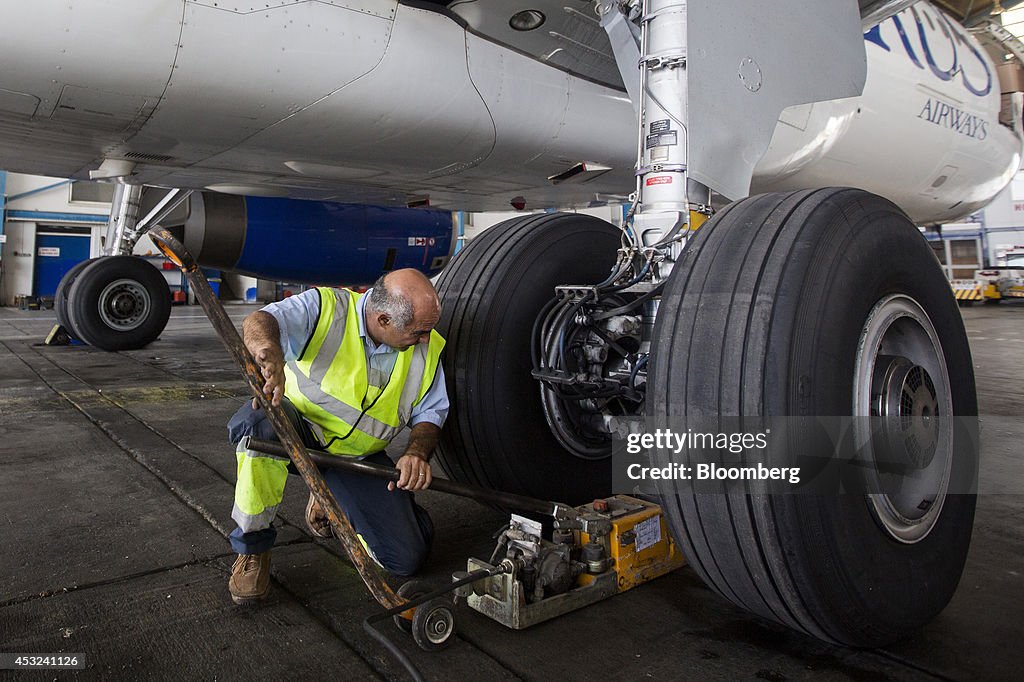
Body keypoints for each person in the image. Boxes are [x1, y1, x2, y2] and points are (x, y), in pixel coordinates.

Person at [225, 269, 448, 605]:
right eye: (419, 332)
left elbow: (431, 413)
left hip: (357, 460)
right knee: (259, 425)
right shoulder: (326, 308)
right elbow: (261, 320)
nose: (426, 339)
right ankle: (252, 548)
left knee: (407, 558)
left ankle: (336, 501)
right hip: (297, 433)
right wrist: (267, 350)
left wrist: (416, 452)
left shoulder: (426, 350)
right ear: (384, 319)